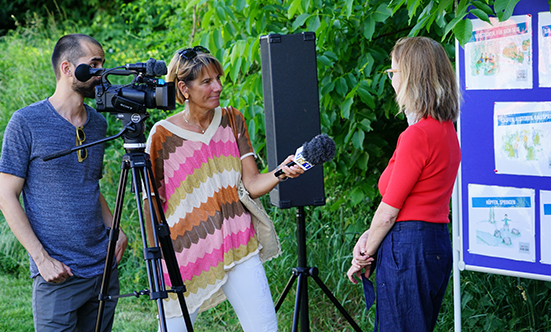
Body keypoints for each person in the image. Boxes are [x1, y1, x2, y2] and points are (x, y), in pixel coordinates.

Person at [143, 46, 304, 331]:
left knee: (265, 328)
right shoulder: (162, 136)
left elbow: (251, 185)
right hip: (186, 253)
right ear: (184, 88)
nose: (218, 87)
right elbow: (151, 204)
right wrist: (156, 258)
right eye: (207, 82)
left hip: (239, 243)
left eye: (218, 78)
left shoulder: (232, 119)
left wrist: (281, 172)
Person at [0, 33, 128, 332]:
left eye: (102, 63)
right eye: (94, 64)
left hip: (102, 267)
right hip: (58, 274)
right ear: (68, 68)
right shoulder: (26, 122)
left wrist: (115, 229)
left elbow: (89, 185)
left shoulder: (98, 123)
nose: (101, 72)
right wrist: (41, 260)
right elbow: (6, 195)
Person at [346, 36, 461, 332]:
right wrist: (370, 238)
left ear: (410, 77)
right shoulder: (447, 131)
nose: (391, 80)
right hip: (434, 242)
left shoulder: (417, 135)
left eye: (393, 72)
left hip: (408, 248)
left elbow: (390, 211)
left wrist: (364, 254)